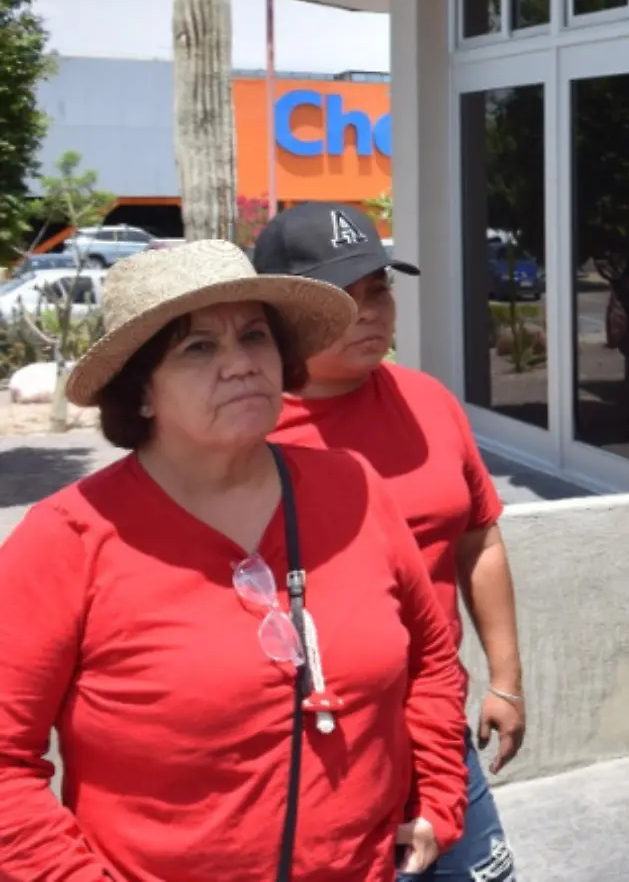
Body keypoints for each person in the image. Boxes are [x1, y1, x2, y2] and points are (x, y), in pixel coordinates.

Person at [0, 240, 468, 880]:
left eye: (255, 337)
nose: (241, 364)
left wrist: (438, 793)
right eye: (198, 348)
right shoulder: (67, 540)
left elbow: (432, 657)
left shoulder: (353, 489)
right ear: (141, 393)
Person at [251, 202, 525, 882]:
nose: (370, 312)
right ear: (284, 314)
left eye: (379, 289)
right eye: (342, 297)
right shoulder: (242, 436)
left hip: (437, 735)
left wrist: (507, 682)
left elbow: (478, 542)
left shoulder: (429, 402)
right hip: (319, 757)